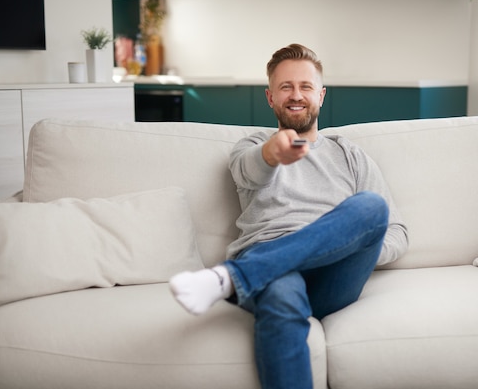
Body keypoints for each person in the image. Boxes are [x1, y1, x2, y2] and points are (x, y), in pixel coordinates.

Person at [169, 43, 408, 389]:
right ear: (270, 98)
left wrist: (343, 246)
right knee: (280, 292)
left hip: (334, 276)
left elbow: (396, 230)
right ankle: (248, 273)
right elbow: (251, 170)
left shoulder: (349, 154)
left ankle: (228, 278)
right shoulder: (250, 147)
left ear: (321, 95)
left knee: (371, 206)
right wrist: (272, 152)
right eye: (286, 87)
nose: (296, 95)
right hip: (275, 278)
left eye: (305, 87)